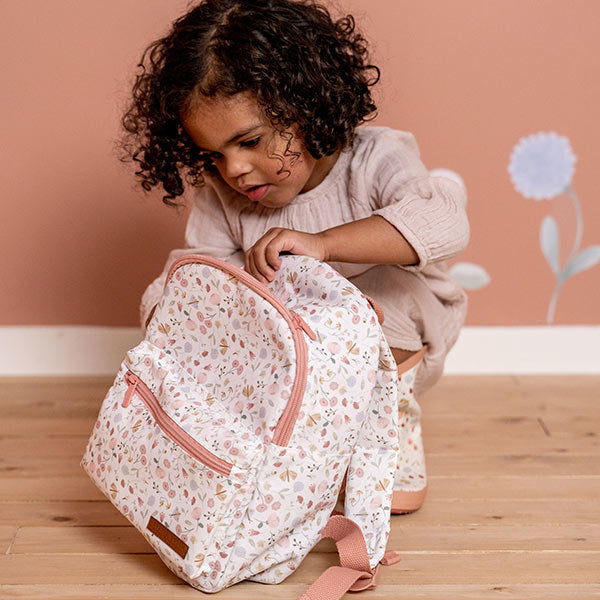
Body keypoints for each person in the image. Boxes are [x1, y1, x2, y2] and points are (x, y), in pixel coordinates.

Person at [118, 0, 470, 512]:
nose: (235, 168)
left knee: (381, 295)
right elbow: (199, 270)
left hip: (396, 342)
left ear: (306, 104)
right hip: (293, 356)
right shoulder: (224, 196)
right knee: (191, 298)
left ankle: (386, 426)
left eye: (250, 141)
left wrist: (323, 245)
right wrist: (177, 313)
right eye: (215, 153)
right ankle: (300, 444)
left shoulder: (376, 159)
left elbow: (444, 222)